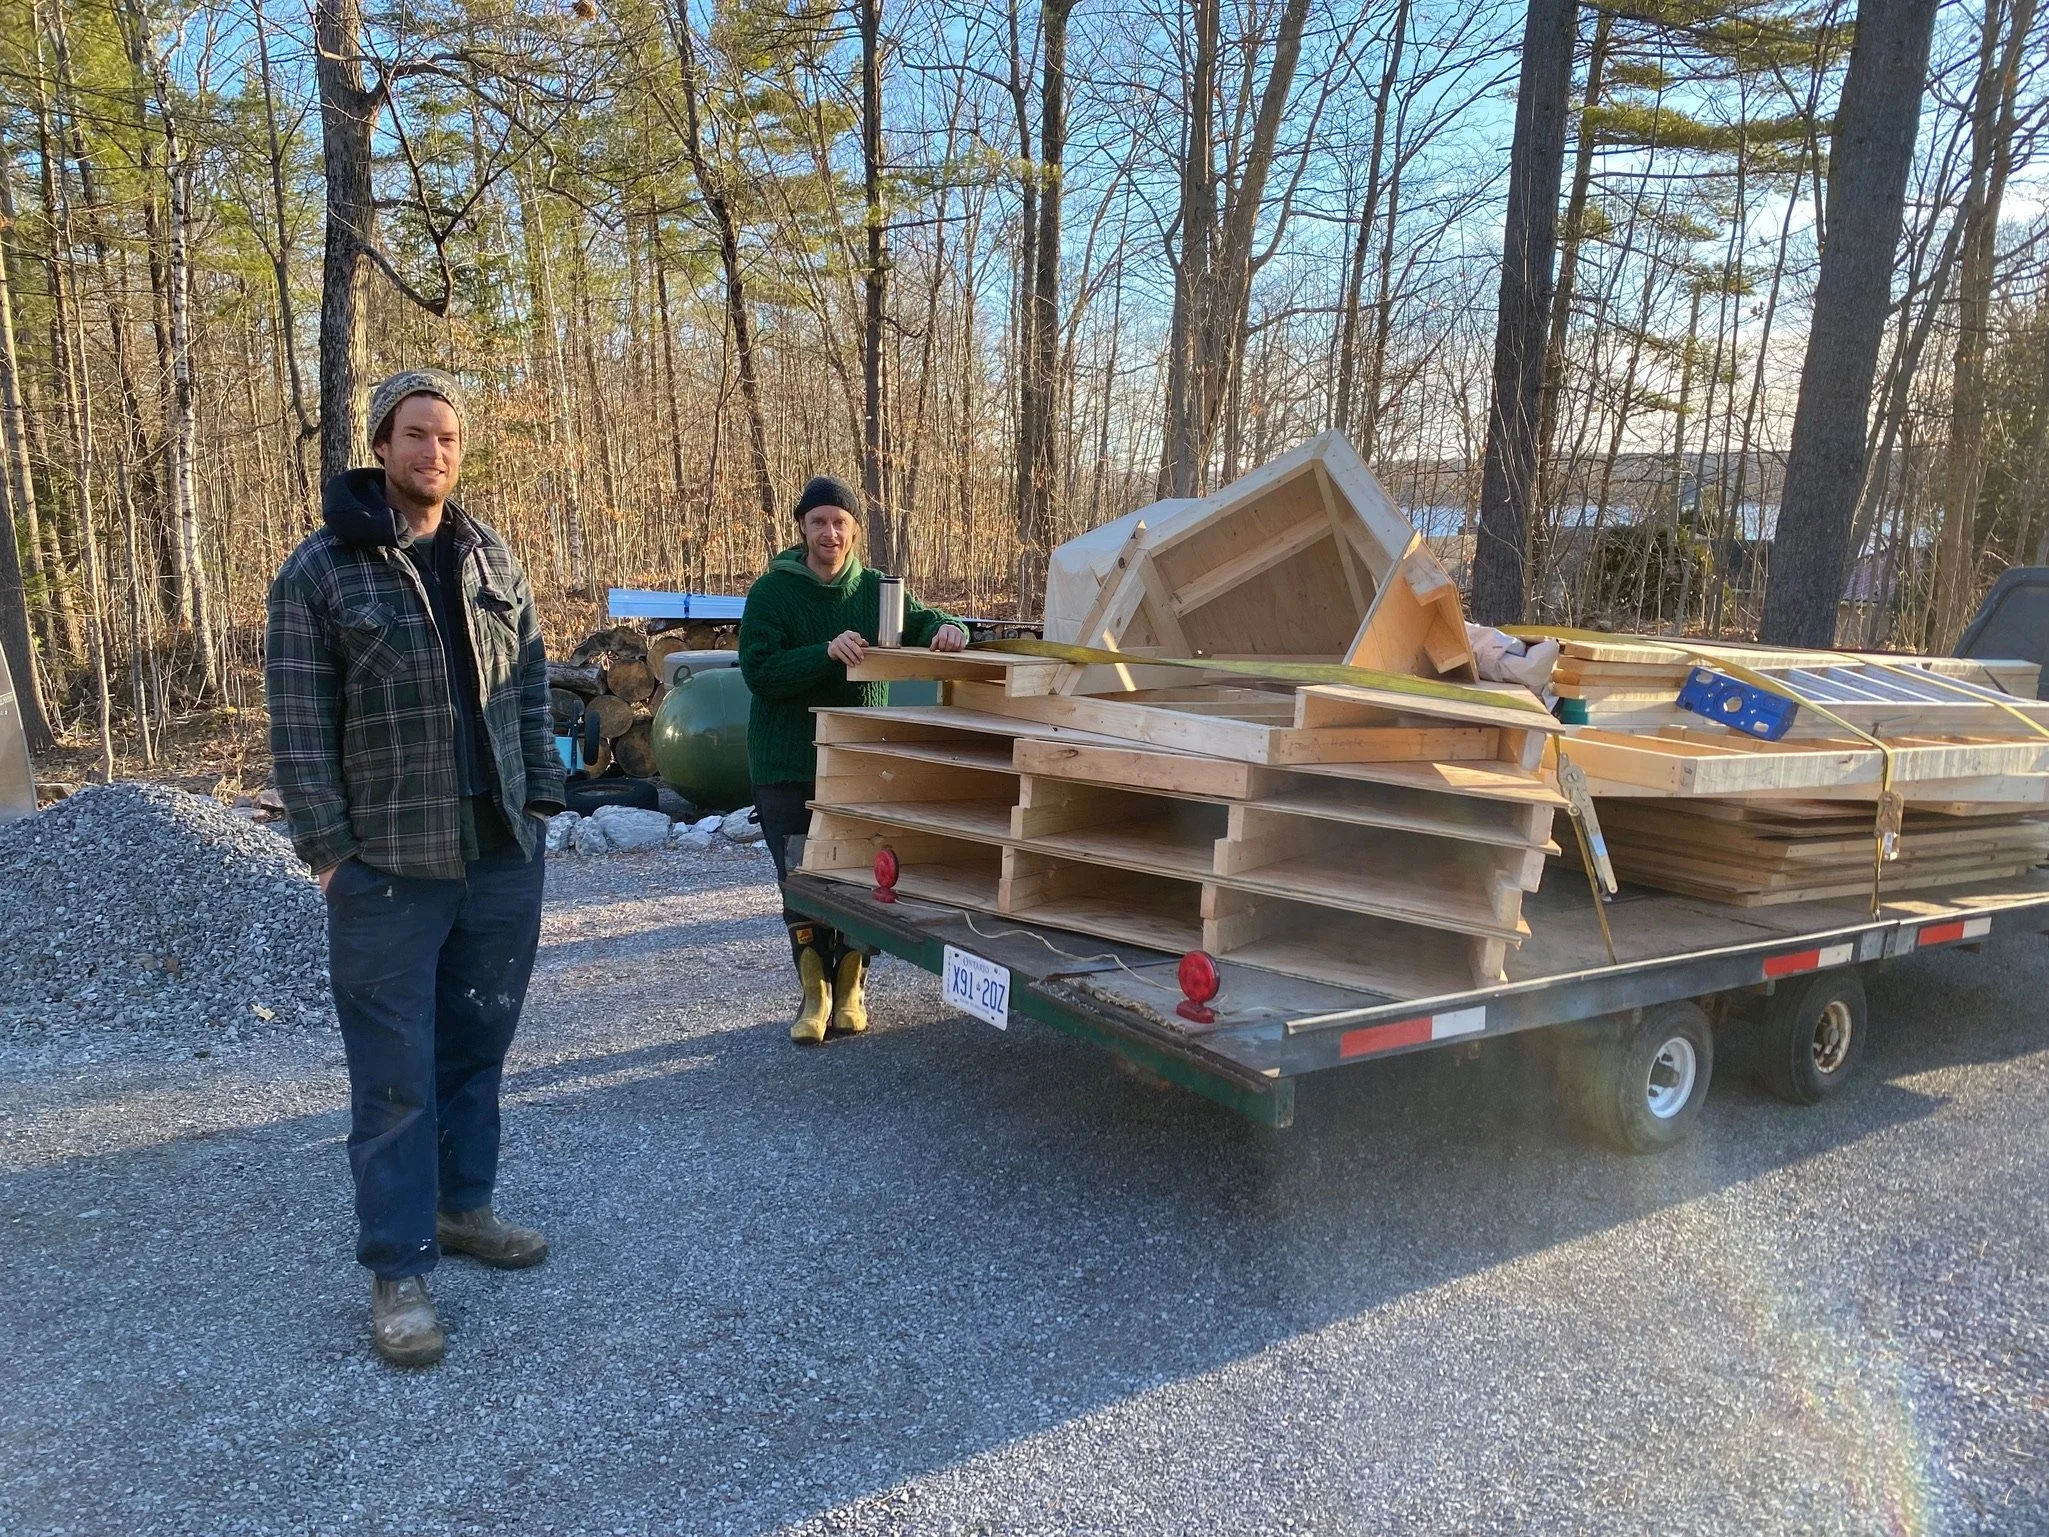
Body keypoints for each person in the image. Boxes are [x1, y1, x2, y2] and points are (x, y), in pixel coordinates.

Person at [265, 369, 565, 1370]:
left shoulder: (491, 558)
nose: (434, 451)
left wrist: (540, 803)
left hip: (498, 856)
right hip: (390, 867)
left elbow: (530, 687)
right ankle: (398, 1270)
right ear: (382, 446)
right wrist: (329, 855)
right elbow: (299, 727)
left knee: (477, 1047)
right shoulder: (321, 572)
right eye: (416, 434)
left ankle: (462, 1207)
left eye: (448, 437)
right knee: (395, 1077)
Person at [740, 475, 967, 1044]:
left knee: (863, 876)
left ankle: (851, 987)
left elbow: (928, 619)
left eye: (840, 522)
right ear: (802, 528)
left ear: (855, 531)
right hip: (787, 764)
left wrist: (949, 628)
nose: (830, 532)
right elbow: (760, 672)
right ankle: (814, 993)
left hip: (859, 763)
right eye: (818, 521)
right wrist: (824, 652)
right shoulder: (772, 592)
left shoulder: (876, 590)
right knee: (801, 876)